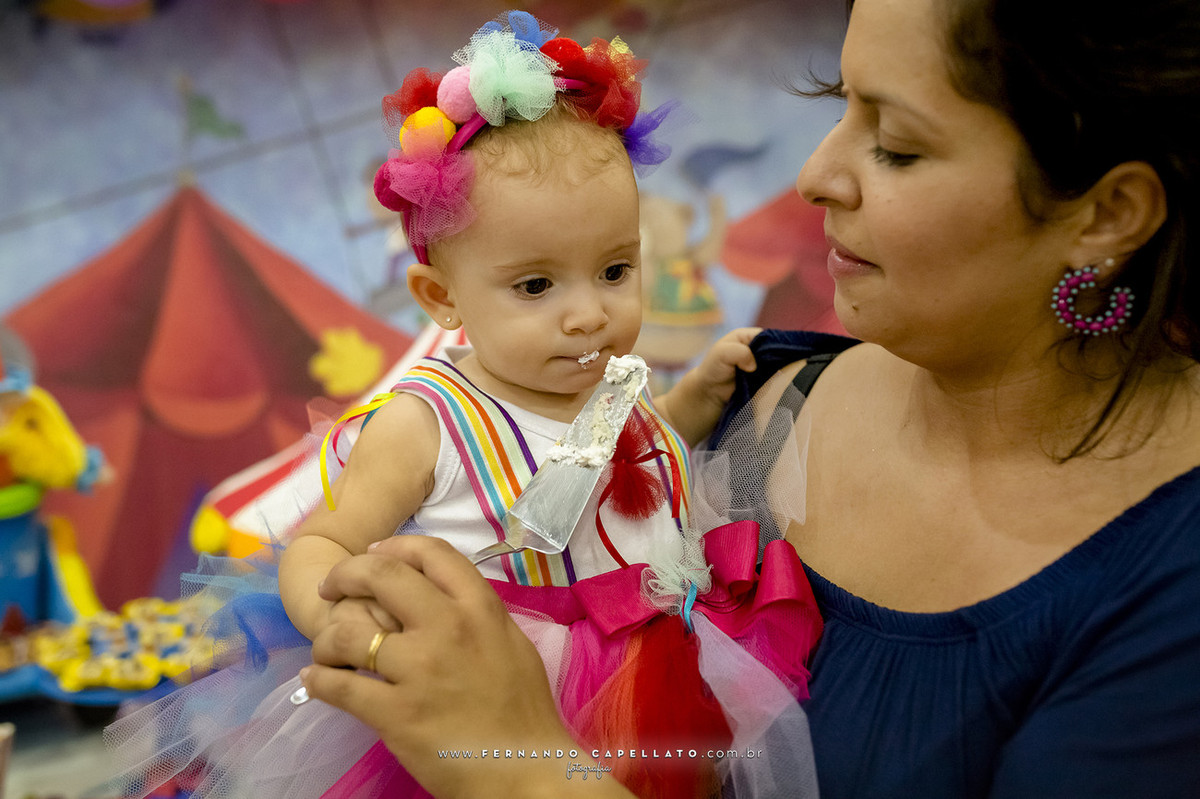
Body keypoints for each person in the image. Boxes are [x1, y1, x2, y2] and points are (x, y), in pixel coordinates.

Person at [299, 0, 1200, 796]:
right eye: (833, 101)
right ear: (443, 296)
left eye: (897, 143)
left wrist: (523, 769)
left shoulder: (1165, 610)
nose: (814, 174)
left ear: (1109, 211)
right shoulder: (766, 391)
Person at [100, 12, 821, 799]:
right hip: (512, 693)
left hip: (672, 650)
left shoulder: (610, 379)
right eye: (537, 286)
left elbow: (621, 475)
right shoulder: (427, 423)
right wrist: (337, 619)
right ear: (442, 297)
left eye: (615, 270)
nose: (588, 314)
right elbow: (327, 540)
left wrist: (691, 399)